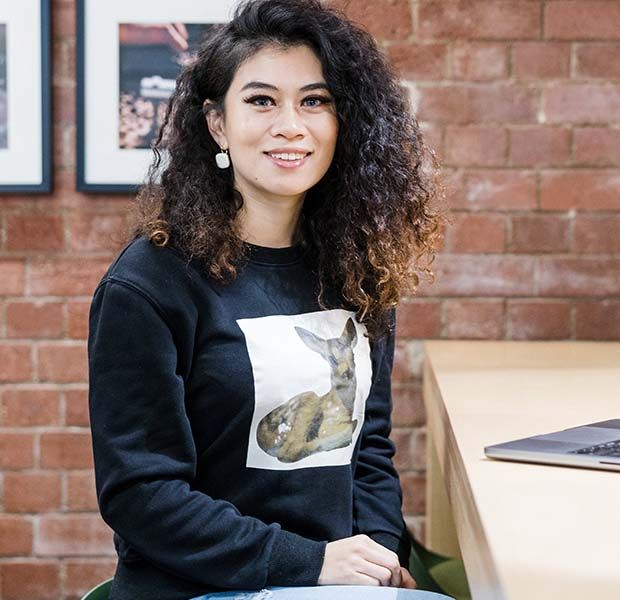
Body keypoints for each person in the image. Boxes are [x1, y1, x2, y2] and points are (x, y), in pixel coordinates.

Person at [86, 0, 447, 598]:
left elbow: (369, 448)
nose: (291, 125)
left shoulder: (357, 265)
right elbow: (141, 495)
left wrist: (379, 560)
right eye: (261, 100)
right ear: (218, 124)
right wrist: (308, 563)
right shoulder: (149, 284)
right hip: (200, 587)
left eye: (315, 100)